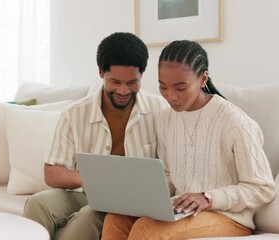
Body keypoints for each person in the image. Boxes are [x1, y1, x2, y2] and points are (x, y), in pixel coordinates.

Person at [101, 40, 277, 239]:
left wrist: (208, 198)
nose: (171, 96)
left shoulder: (235, 122)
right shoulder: (165, 119)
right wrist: (142, 197)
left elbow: (262, 188)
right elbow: (168, 175)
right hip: (180, 211)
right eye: (163, 87)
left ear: (203, 79)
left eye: (180, 88)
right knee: (115, 219)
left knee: (147, 229)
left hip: (227, 217)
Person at [22, 32, 169, 240]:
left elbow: (172, 170)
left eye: (132, 83)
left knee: (87, 217)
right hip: (87, 194)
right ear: (101, 73)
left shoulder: (160, 110)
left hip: (135, 202)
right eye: (115, 81)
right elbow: (52, 172)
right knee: (38, 203)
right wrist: (90, 180)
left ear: (142, 75)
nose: (123, 90)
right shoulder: (74, 113)